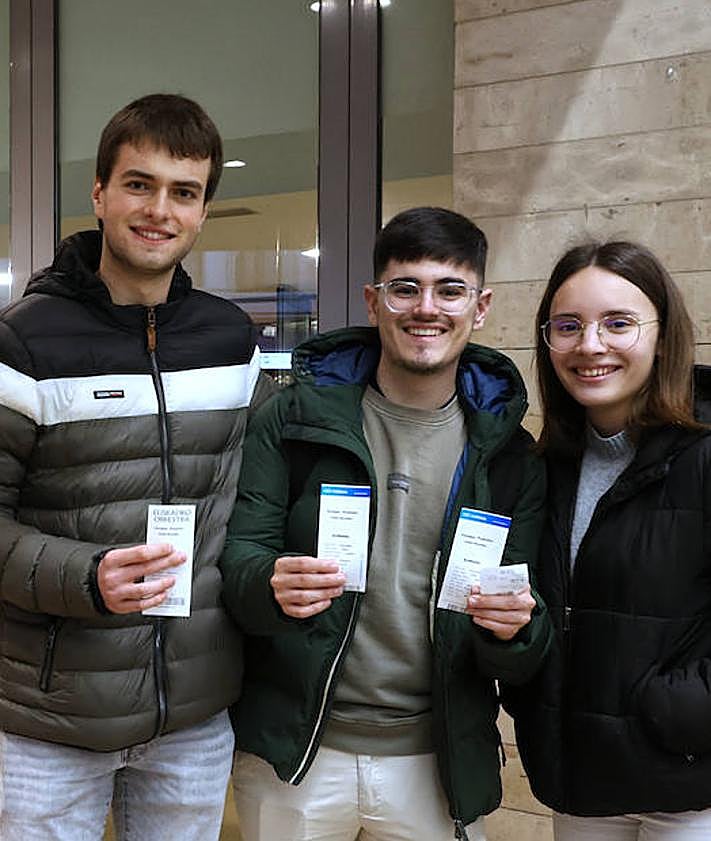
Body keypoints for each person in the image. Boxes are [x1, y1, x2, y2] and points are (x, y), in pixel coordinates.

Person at [220, 206, 553, 841]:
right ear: (374, 301)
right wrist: (269, 584)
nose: (427, 307)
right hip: (297, 753)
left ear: (480, 307)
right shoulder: (291, 420)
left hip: (437, 759)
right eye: (406, 288)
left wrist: (515, 629)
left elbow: (526, 638)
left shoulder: (513, 459)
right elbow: (239, 560)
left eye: (449, 290)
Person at [0, 93, 276, 841]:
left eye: (183, 192)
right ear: (98, 192)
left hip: (191, 712)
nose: (159, 209)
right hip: (47, 721)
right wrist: (88, 575)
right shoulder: (22, 344)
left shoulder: (230, 340)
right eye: (138, 184)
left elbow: (264, 494)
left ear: (203, 209)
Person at [509, 240, 711, 840]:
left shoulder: (703, 454)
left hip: (687, 785)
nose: (590, 345)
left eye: (617, 323)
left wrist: (680, 709)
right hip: (580, 780)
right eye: (567, 326)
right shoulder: (543, 466)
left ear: (664, 334)